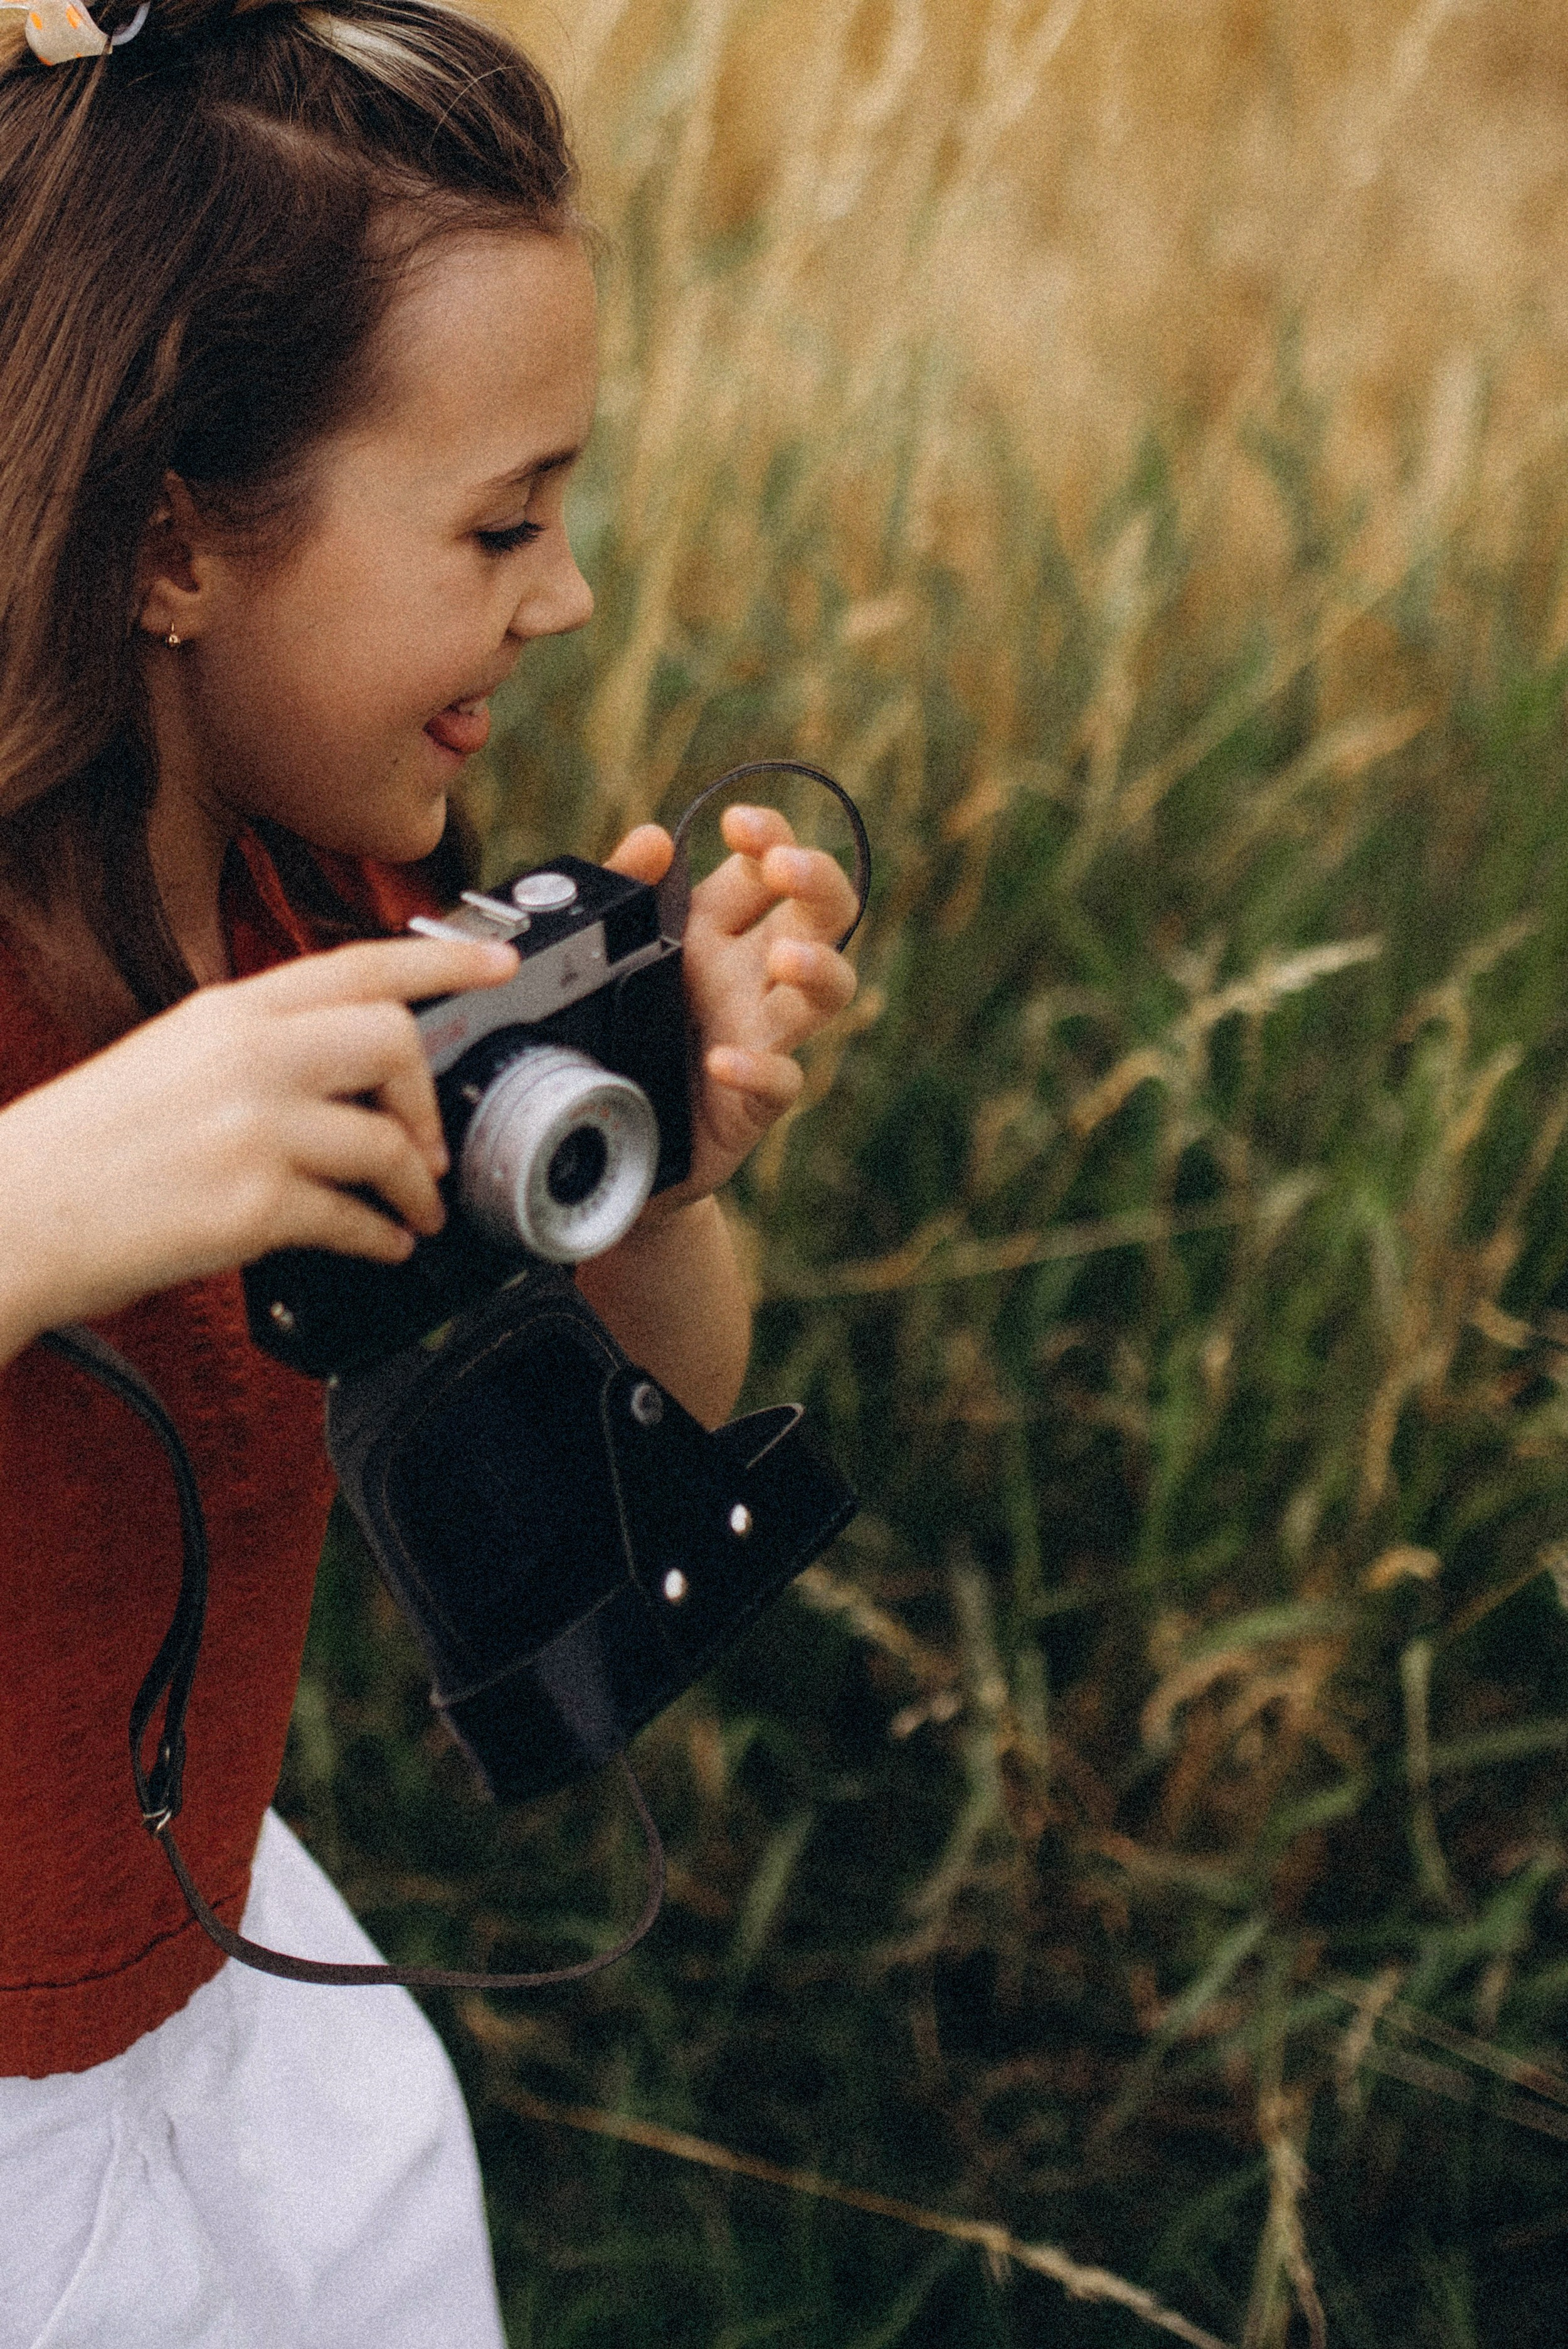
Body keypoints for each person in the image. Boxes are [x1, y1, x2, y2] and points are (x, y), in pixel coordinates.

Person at [0, 1, 859, 2340]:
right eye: (500, 520)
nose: (564, 593)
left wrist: (662, 1158)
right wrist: (48, 1198)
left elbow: (672, 1376)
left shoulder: (331, 920)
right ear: (173, 542)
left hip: (225, 2023)